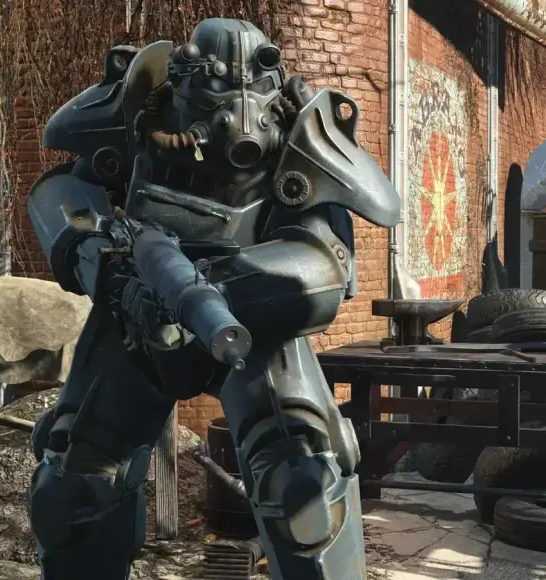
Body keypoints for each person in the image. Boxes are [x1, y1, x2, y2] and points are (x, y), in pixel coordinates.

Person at [25, 18, 399, 580]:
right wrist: (103, 264)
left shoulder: (297, 134)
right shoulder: (138, 114)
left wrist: (214, 287)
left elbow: (326, 266)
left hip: (253, 330)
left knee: (303, 490)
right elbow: (61, 195)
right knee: (72, 490)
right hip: (134, 321)